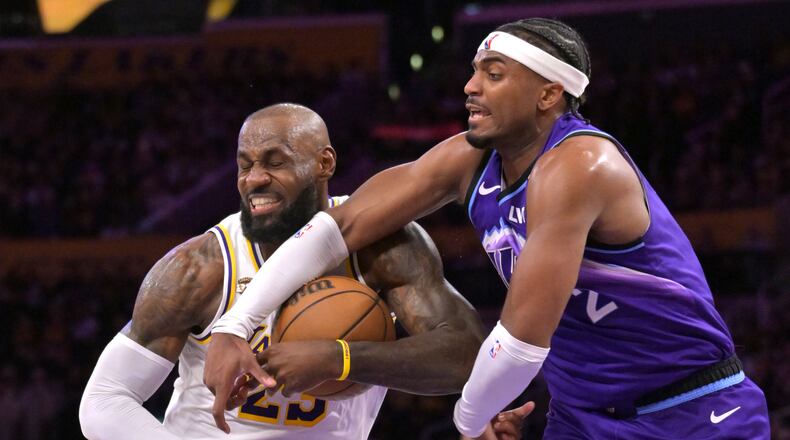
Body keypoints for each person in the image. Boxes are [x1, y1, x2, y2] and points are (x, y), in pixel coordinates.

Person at [205, 18, 772, 439]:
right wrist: (237, 323)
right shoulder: (467, 160)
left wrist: (469, 419)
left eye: (493, 75)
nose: (471, 86)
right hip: (582, 414)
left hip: (690, 408)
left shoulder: (581, 165)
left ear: (549, 94)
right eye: (474, 71)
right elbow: (339, 227)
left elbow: (521, 343)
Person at [79, 103, 529, 439]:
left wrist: (339, 357)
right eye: (245, 165)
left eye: (274, 162)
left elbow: (467, 352)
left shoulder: (383, 246)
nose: (254, 178)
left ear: (324, 164)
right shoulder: (201, 267)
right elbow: (103, 401)